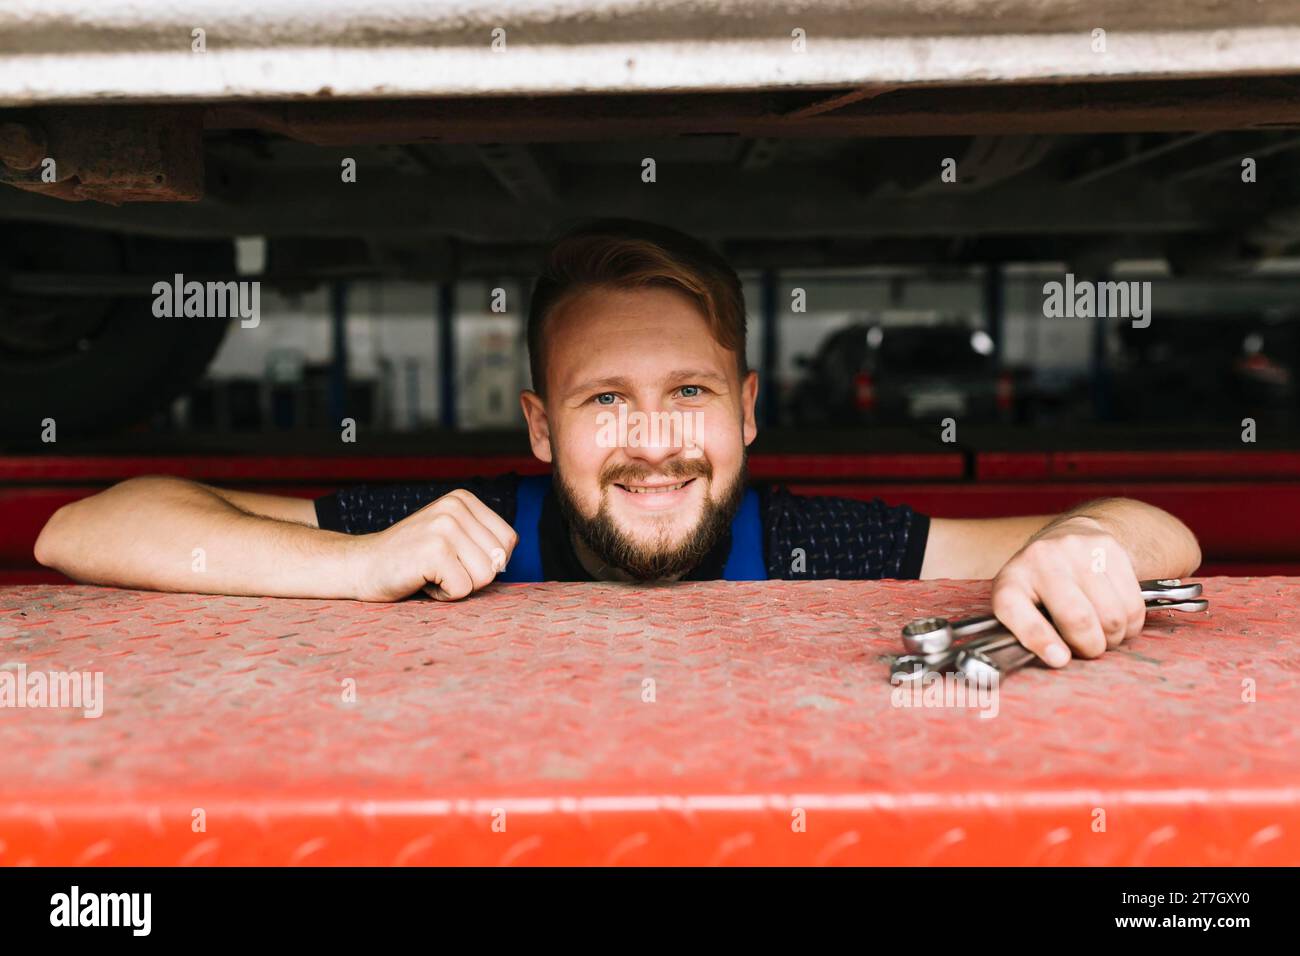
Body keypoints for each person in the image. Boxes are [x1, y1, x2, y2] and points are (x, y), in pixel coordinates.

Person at [34, 218, 1201, 669]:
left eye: (688, 389)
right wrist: (357, 564)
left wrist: (1082, 542)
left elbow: (1165, 538)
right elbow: (84, 525)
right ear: (539, 426)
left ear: (747, 411)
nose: (653, 440)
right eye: (603, 401)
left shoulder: (819, 538)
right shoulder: (458, 530)